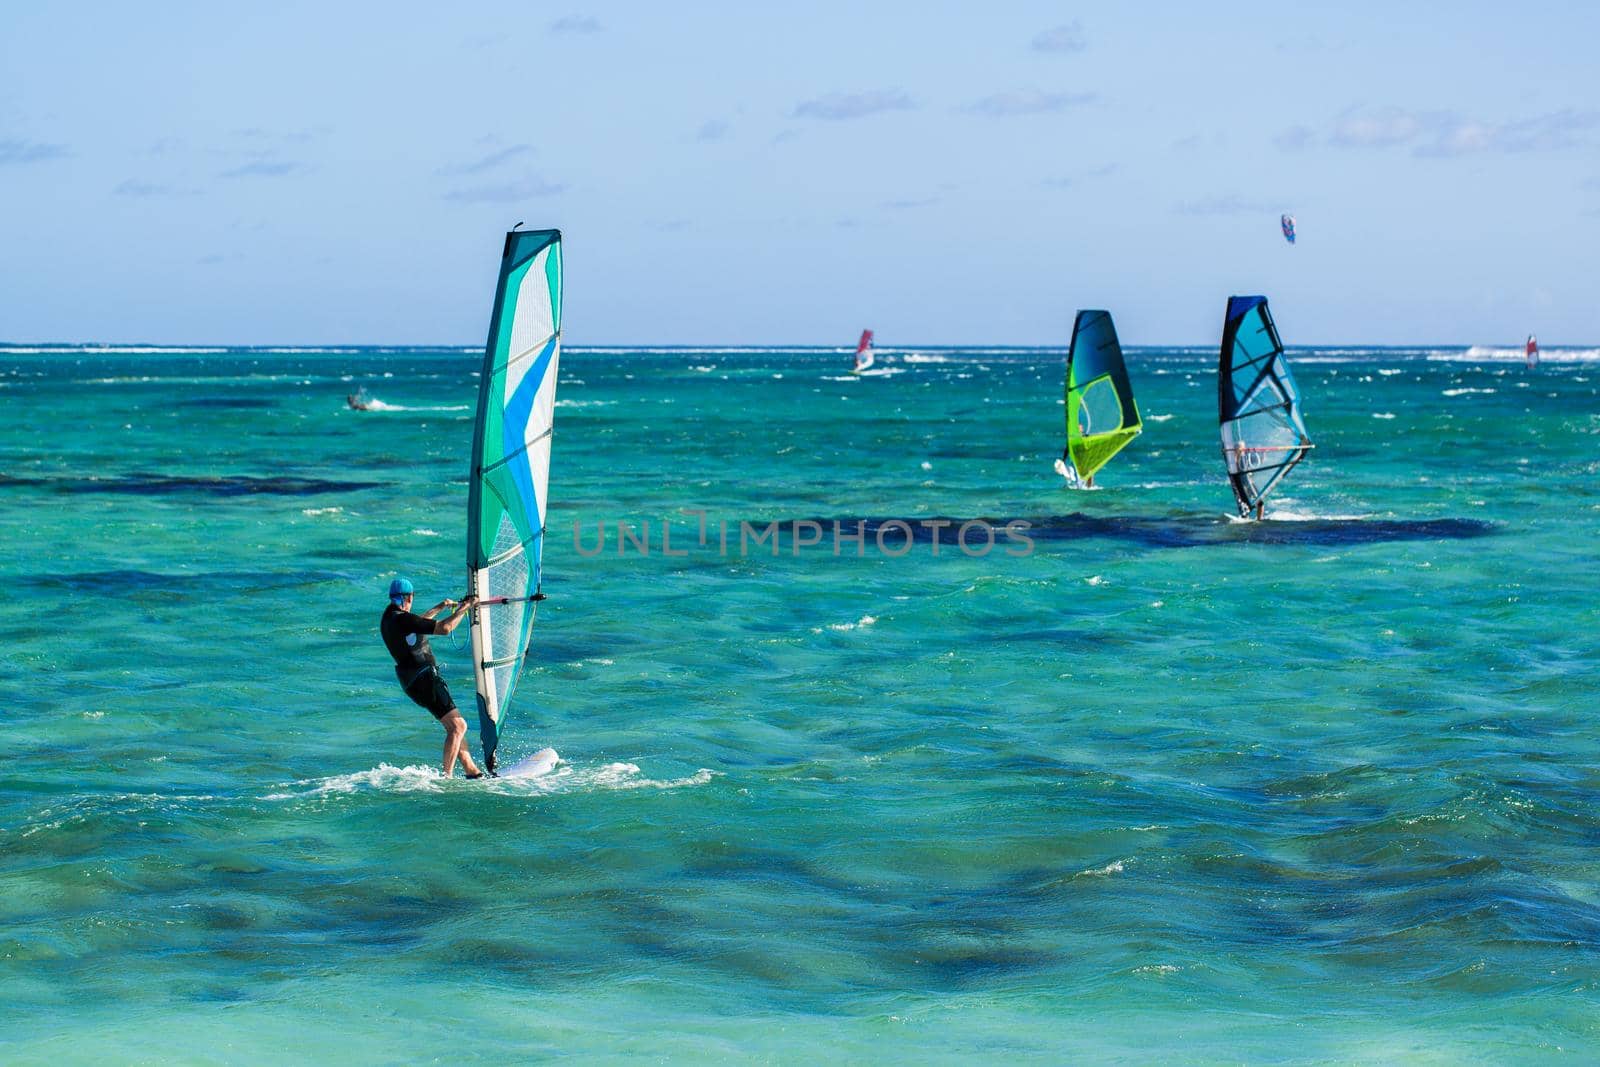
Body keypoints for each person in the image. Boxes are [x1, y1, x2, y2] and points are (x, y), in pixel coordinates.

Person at [380, 577, 483, 779]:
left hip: (413, 683)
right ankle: (447, 778)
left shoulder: (389, 618)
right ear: (408, 597)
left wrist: (441, 606)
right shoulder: (402, 619)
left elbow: (417, 623)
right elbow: (444, 629)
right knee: (458, 726)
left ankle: (472, 771)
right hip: (425, 680)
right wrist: (467, 607)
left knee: (453, 725)